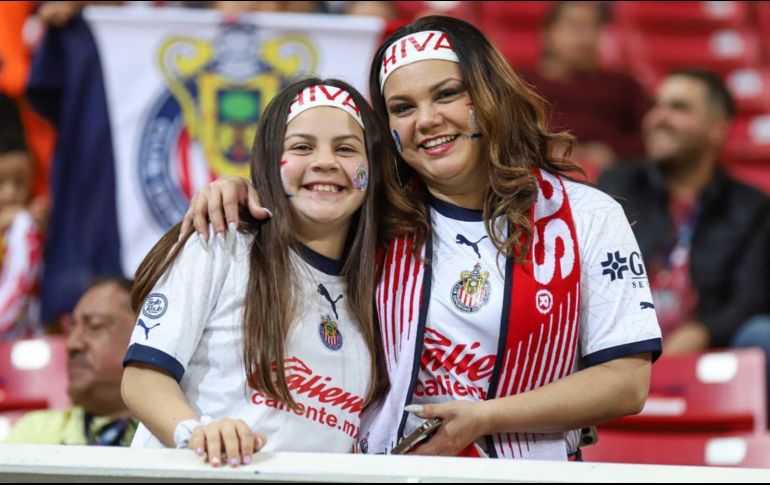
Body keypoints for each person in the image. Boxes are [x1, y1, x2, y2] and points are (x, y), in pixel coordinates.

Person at [181, 16, 661, 460]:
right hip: (383, 471)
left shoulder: (589, 216)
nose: (426, 119)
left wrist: (485, 419)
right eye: (402, 107)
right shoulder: (371, 213)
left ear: (490, 95)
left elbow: (625, 383)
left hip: (530, 471)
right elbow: (301, 194)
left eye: (447, 94)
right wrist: (240, 188)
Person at [121, 78, 389, 467]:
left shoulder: (384, 286)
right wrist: (196, 434)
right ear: (268, 160)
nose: (326, 162)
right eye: (301, 147)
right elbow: (142, 377)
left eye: (346, 149)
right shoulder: (219, 243)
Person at [597, 70, 770, 412]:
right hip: (619, 341)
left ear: (717, 128)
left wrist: (701, 332)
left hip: (708, 345)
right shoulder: (618, 184)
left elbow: (751, 297)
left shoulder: (751, 207)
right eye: (656, 106)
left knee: (763, 333)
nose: (658, 117)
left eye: (678, 108)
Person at [4, 278, 138, 445]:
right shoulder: (35, 432)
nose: (72, 343)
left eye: (95, 326)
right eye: (72, 327)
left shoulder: (174, 431)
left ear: (144, 335)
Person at [521, 2, 649, 173]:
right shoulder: (521, 85)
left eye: (594, 27)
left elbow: (650, 138)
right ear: (548, 33)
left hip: (612, 179)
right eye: (575, 26)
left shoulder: (625, 86)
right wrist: (543, 149)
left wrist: (614, 153)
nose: (586, 37)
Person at [0, 131, 43, 339]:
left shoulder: (25, 226)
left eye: (20, 183)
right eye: (0, 182)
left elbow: (12, 305)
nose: (9, 194)